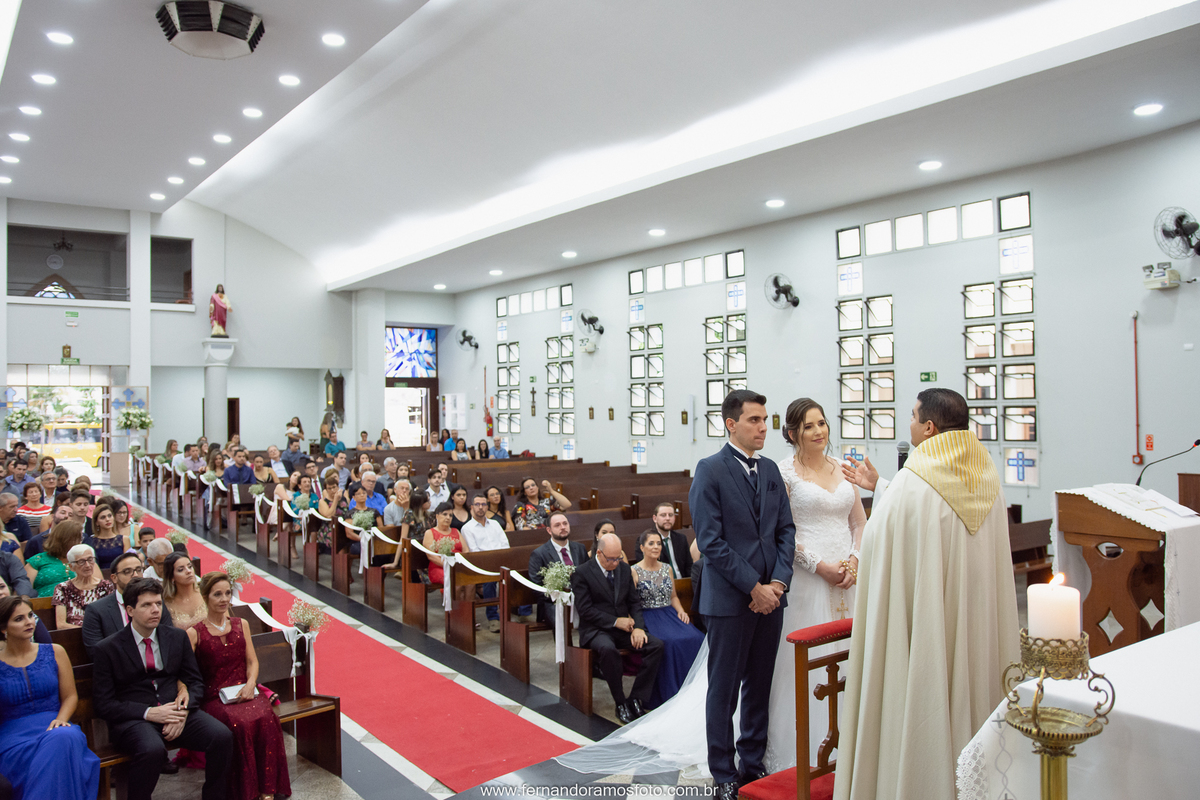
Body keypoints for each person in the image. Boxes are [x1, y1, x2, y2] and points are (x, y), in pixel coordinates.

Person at [833, 389, 1019, 800]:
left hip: (929, 622)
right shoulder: (987, 477)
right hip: (975, 619)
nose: (911, 424)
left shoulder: (915, 482)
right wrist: (881, 483)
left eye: (914, 417)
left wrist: (883, 489)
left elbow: (883, 537)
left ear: (929, 427)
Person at [92, 577, 234, 800]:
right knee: (152, 750)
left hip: (177, 711)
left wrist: (183, 712)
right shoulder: (108, 648)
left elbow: (195, 681)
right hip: (135, 719)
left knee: (221, 736)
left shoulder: (176, 637)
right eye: (147, 605)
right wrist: (149, 713)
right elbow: (104, 704)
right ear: (130, 610)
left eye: (158, 603)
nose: (155, 610)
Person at [188, 572, 291, 800]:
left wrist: (250, 684)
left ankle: (267, 789)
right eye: (217, 594)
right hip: (215, 698)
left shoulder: (240, 624)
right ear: (205, 597)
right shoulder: (194, 633)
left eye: (227, 593)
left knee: (266, 717)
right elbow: (186, 673)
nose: (224, 599)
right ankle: (244, 790)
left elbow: (252, 661)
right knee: (239, 723)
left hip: (245, 690)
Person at [0, 595, 100, 800]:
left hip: (56, 724)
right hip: (13, 738)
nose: (29, 622)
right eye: (19, 619)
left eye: (30, 615)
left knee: (65, 737)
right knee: (60, 745)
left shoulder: (55, 652)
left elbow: (71, 696)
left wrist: (62, 719)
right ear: (3, 628)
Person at [571, 532, 664, 724]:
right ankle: (620, 701)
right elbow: (585, 610)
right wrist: (615, 621)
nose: (615, 562)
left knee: (655, 645)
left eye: (618, 558)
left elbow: (634, 603)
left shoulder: (623, 569)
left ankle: (637, 698)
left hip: (623, 629)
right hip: (596, 629)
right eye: (611, 559)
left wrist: (638, 627)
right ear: (599, 553)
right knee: (607, 649)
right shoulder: (582, 573)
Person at [632, 530, 704, 707]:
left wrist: (681, 611)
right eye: (651, 543)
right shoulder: (633, 571)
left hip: (669, 613)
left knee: (697, 637)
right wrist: (636, 626)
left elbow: (673, 597)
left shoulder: (667, 568)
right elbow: (630, 602)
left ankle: (694, 689)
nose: (656, 547)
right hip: (648, 615)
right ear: (642, 547)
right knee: (668, 642)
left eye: (658, 543)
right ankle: (670, 692)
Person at [82, 551, 175, 657]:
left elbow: (168, 638)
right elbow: (96, 653)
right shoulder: (96, 610)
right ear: (114, 578)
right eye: (127, 571)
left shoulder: (156, 603)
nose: (135, 575)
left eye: (138, 570)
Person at [460, 493, 514, 632]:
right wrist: (492, 562)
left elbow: (505, 544)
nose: (480, 508)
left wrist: (500, 560)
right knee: (489, 580)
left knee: (519, 574)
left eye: (483, 504)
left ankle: (520, 613)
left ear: (487, 507)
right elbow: (474, 551)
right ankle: (493, 618)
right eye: (477, 504)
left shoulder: (495, 524)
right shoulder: (467, 528)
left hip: (501, 561)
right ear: (472, 507)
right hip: (481, 565)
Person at [527, 511, 588, 624]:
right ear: (549, 530)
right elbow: (536, 586)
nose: (563, 527)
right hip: (554, 603)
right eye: (557, 525)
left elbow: (589, 575)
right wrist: (559, 596)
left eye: (565, 523)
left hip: (581, 599)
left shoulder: (579, 548)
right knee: (561, 620)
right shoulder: (539, 554)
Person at [52, 543, 115, 629]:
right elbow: (61, 625)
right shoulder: (62, 588)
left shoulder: (106, 586)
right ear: (71, 567)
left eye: (90, 560)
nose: (87, 565)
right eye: (81, 562)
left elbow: (112, 618)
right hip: (73, 636)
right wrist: (88, 632)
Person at [633, 502, 693, 579]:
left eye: (670, 515)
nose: (667, 518)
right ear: (655, 518)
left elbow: (689, 566)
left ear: (674, 518)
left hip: (682, 582)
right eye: (663, 515)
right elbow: (645, 568)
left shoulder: (681, 539)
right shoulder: (645, 540)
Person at [25, 520, 84, 598]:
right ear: (65, 540)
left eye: (81, 539)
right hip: (43, 606)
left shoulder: (85, 561)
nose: (80, 543)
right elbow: (25, 590)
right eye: (78, 539)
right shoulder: (38, 560)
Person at [423, 502, 467, 588]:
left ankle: (467, 602)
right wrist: (449, 565)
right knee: (454, 580)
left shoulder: (456, 531)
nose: (448, 517)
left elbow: (466, 551)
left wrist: (460, 565)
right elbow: (431, 556)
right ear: (437, 516)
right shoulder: (430, 533)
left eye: (450, 515)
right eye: (445, 514)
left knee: (470, 581)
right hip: (439, 567)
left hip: (458, 566)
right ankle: (451, 601)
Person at [162, 552, 207, 630]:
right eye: (181, 570)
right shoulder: (165, 603)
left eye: (190, 567)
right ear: (172, 577)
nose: (188, 571)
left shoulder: (206, 592)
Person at [84, 502, 126, 573]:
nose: (107, 519)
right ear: (97, 522)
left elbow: (127, 564)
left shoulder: (123, 539)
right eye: (103, 517)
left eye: (109, 516)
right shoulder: (90, 541)